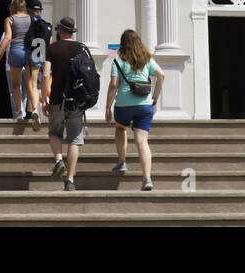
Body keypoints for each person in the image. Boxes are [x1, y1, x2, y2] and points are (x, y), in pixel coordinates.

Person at [104, 28, 165, 191]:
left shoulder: (117, 61)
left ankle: (122, 162)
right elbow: (162, 75)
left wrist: (107, 107)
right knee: (142, 142)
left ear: (123, 44)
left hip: (123, 105)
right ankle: (147, 179)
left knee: (120, 128)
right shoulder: (146, 59)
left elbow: (113, 85)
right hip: (144, 105)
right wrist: (156, 97)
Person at [42, 16, 90, 191]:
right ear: (72, 32)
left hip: (57, 99)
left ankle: (58, 160)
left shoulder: (52, 48)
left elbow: (46, 75)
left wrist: (43, 98)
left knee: (54, 133)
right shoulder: (82, 49)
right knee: (74, 140)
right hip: (77, 100)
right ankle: (70, 179)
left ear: (60, 31)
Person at [0, 0, 31, 121]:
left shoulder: (10, 22)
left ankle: (19, 113)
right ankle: (30, 111)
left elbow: (5, 42)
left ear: (11, 8)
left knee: (15, 89)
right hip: (30, 57)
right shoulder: (31, 20)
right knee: (29, 87)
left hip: (13, 61)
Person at [21, 0, 52, 131]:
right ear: (40, 10)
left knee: (31, 84)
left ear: (29, 10)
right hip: (44, 56)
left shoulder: (28, 23)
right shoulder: (47, 25)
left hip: (32, 56)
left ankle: (34, 109)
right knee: (40, 85)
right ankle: (33, 109)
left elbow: (26, 40)